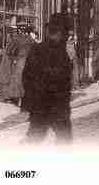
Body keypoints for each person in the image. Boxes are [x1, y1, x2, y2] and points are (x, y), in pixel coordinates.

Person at [21, 13, 73, 144]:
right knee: (64, 140)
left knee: (35, 139)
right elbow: (60, 78)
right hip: (53, 105)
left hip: (40, 105)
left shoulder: (37, 49)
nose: (66, 37)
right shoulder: (60, 52)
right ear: (60, 33)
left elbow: (26, 77)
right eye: (65, 33)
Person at [0, 24, 35, 106]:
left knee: (17, 79)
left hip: (20, 61)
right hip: (29, 61)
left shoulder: (16, 39)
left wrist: (13, 58)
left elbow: (9, 51)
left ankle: (15, 98)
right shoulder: (31, 39)